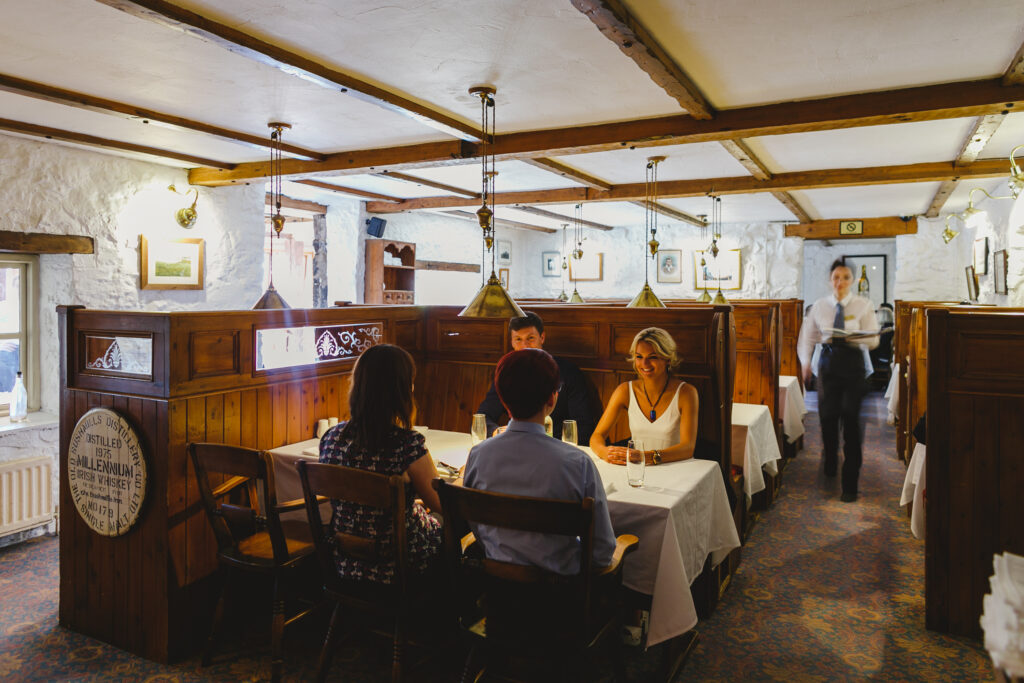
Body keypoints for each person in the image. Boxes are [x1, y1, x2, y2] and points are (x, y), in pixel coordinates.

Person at [463, 348, 616, 574]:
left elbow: (476, 527)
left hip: (497, 589)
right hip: (560, 596)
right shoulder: (578, 463)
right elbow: (602, 552)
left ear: (503, 399)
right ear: (552, 398)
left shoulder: (479, 455)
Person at [319, 344, 442, 583]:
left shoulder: (331, 438)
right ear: (401, 390)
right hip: (397, 564)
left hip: (344, 560)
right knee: (449, 524)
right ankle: (450, 609)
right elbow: (439, 502)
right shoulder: (407, 444)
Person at [798, 259, 880, 503]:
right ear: (830, 280)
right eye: (836, 277)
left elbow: (874, 340)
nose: (840, 282)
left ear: (852, 280)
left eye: (845, 277)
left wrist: (855, 337)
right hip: (828, 366)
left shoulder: (863, 305)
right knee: (828, 419)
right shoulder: (820, 306)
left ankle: (850, 484)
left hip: (854, 365)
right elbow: (808, 337)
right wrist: (805, 363)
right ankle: (830, 459)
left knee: (853, 424)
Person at [476, 311, 596, 443]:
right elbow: (483, 417)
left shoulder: (568, 372)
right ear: (512, 342)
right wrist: (497, 432)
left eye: (530, 338)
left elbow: (584, 426)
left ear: (542, 337)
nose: (525, 346)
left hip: (557, 449)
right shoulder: (507, 373)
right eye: (518, 339)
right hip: (517, 444)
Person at [590, 327, 699, 466]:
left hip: (676, 469)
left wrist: (648, 457)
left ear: (668, 359)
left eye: (653, 357)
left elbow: (687, 448)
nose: (644, 364)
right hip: (638, 470)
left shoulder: (687, 392)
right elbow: (597, 436)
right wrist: (605, 452)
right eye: (639, 357)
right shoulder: (624, 391)